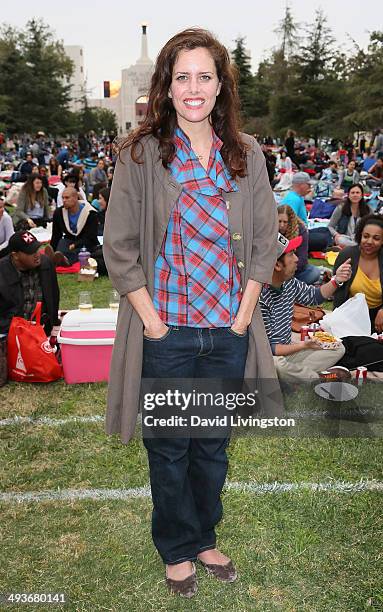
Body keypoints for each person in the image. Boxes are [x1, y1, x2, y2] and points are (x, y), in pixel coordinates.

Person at [103, 27, 279, 598]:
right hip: (168, 331)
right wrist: (152, 321)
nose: (194, 87)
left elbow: (262, 244)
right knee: (170, 447)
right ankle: (176, 547)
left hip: (228, 329)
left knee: (211, 446)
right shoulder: (140, 153)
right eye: (183, 77)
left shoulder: (246, 154)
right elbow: (120, 249)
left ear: (221, 86)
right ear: (166, 86)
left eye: (205, 76)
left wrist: (243, 315)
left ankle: (203, 536)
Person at [260, 233, 352, 383]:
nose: (297, 259)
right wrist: (304, 345)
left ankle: (296, 377)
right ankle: (317, 379)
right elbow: (271, 348)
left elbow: (314, 296)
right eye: (291, 254)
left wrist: (337, 280)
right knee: (277, 364)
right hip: (268, 358)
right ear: (277, 265)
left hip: (288, 351)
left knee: (337, 347)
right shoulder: (260, 296)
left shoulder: (289, 282)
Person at [0, 230, 59, 336]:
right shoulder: (2, 272)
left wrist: (52, 321)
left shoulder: (46, 263)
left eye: (37, 249)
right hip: (10, 332)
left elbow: (54, 295)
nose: (37, 255)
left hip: (42, 329)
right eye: (31, 252)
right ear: (15, 255)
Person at [333, 213, 383, 333]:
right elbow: (337, 291)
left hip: (378, 319)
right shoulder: (347, 255)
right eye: (366, 236)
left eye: (376, 238)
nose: (369, 241)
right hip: (350, 316)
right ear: (360, 236)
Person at [49, 186, 99, 264]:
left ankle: (65, 259)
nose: (64, 200)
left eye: (67, 198)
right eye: (63, 198)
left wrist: (75, 245)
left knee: (83, 251)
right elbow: (56, 234)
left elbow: (91, 236)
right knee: (61, 243)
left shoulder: (90, 213)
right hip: (69, 240)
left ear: (75, 198)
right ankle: (58, 256)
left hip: (86, 242)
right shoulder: (59, 213)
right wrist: (52, 248)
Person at [278, 205, 322, 285]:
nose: (281, 225)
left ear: (290, 221)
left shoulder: (300, 230)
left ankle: (288, 285)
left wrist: (288, 269)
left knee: (314, 272)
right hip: (275, 269)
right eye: (279, 221)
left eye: (285, 222)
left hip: (293, 270)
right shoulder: (270, 229)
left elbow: (302, 259)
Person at [328, 183, 371, 249]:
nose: (355, 195)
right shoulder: (341, 208)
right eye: (352, 193)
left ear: (362, 195)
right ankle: (357, 248)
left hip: (361, 238)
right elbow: (330, 226)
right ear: (348, 195)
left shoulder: (368, 209)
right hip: (344, 238)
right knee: (341, 240)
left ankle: (353, 248)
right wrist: (336, 235)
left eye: (357, 193)